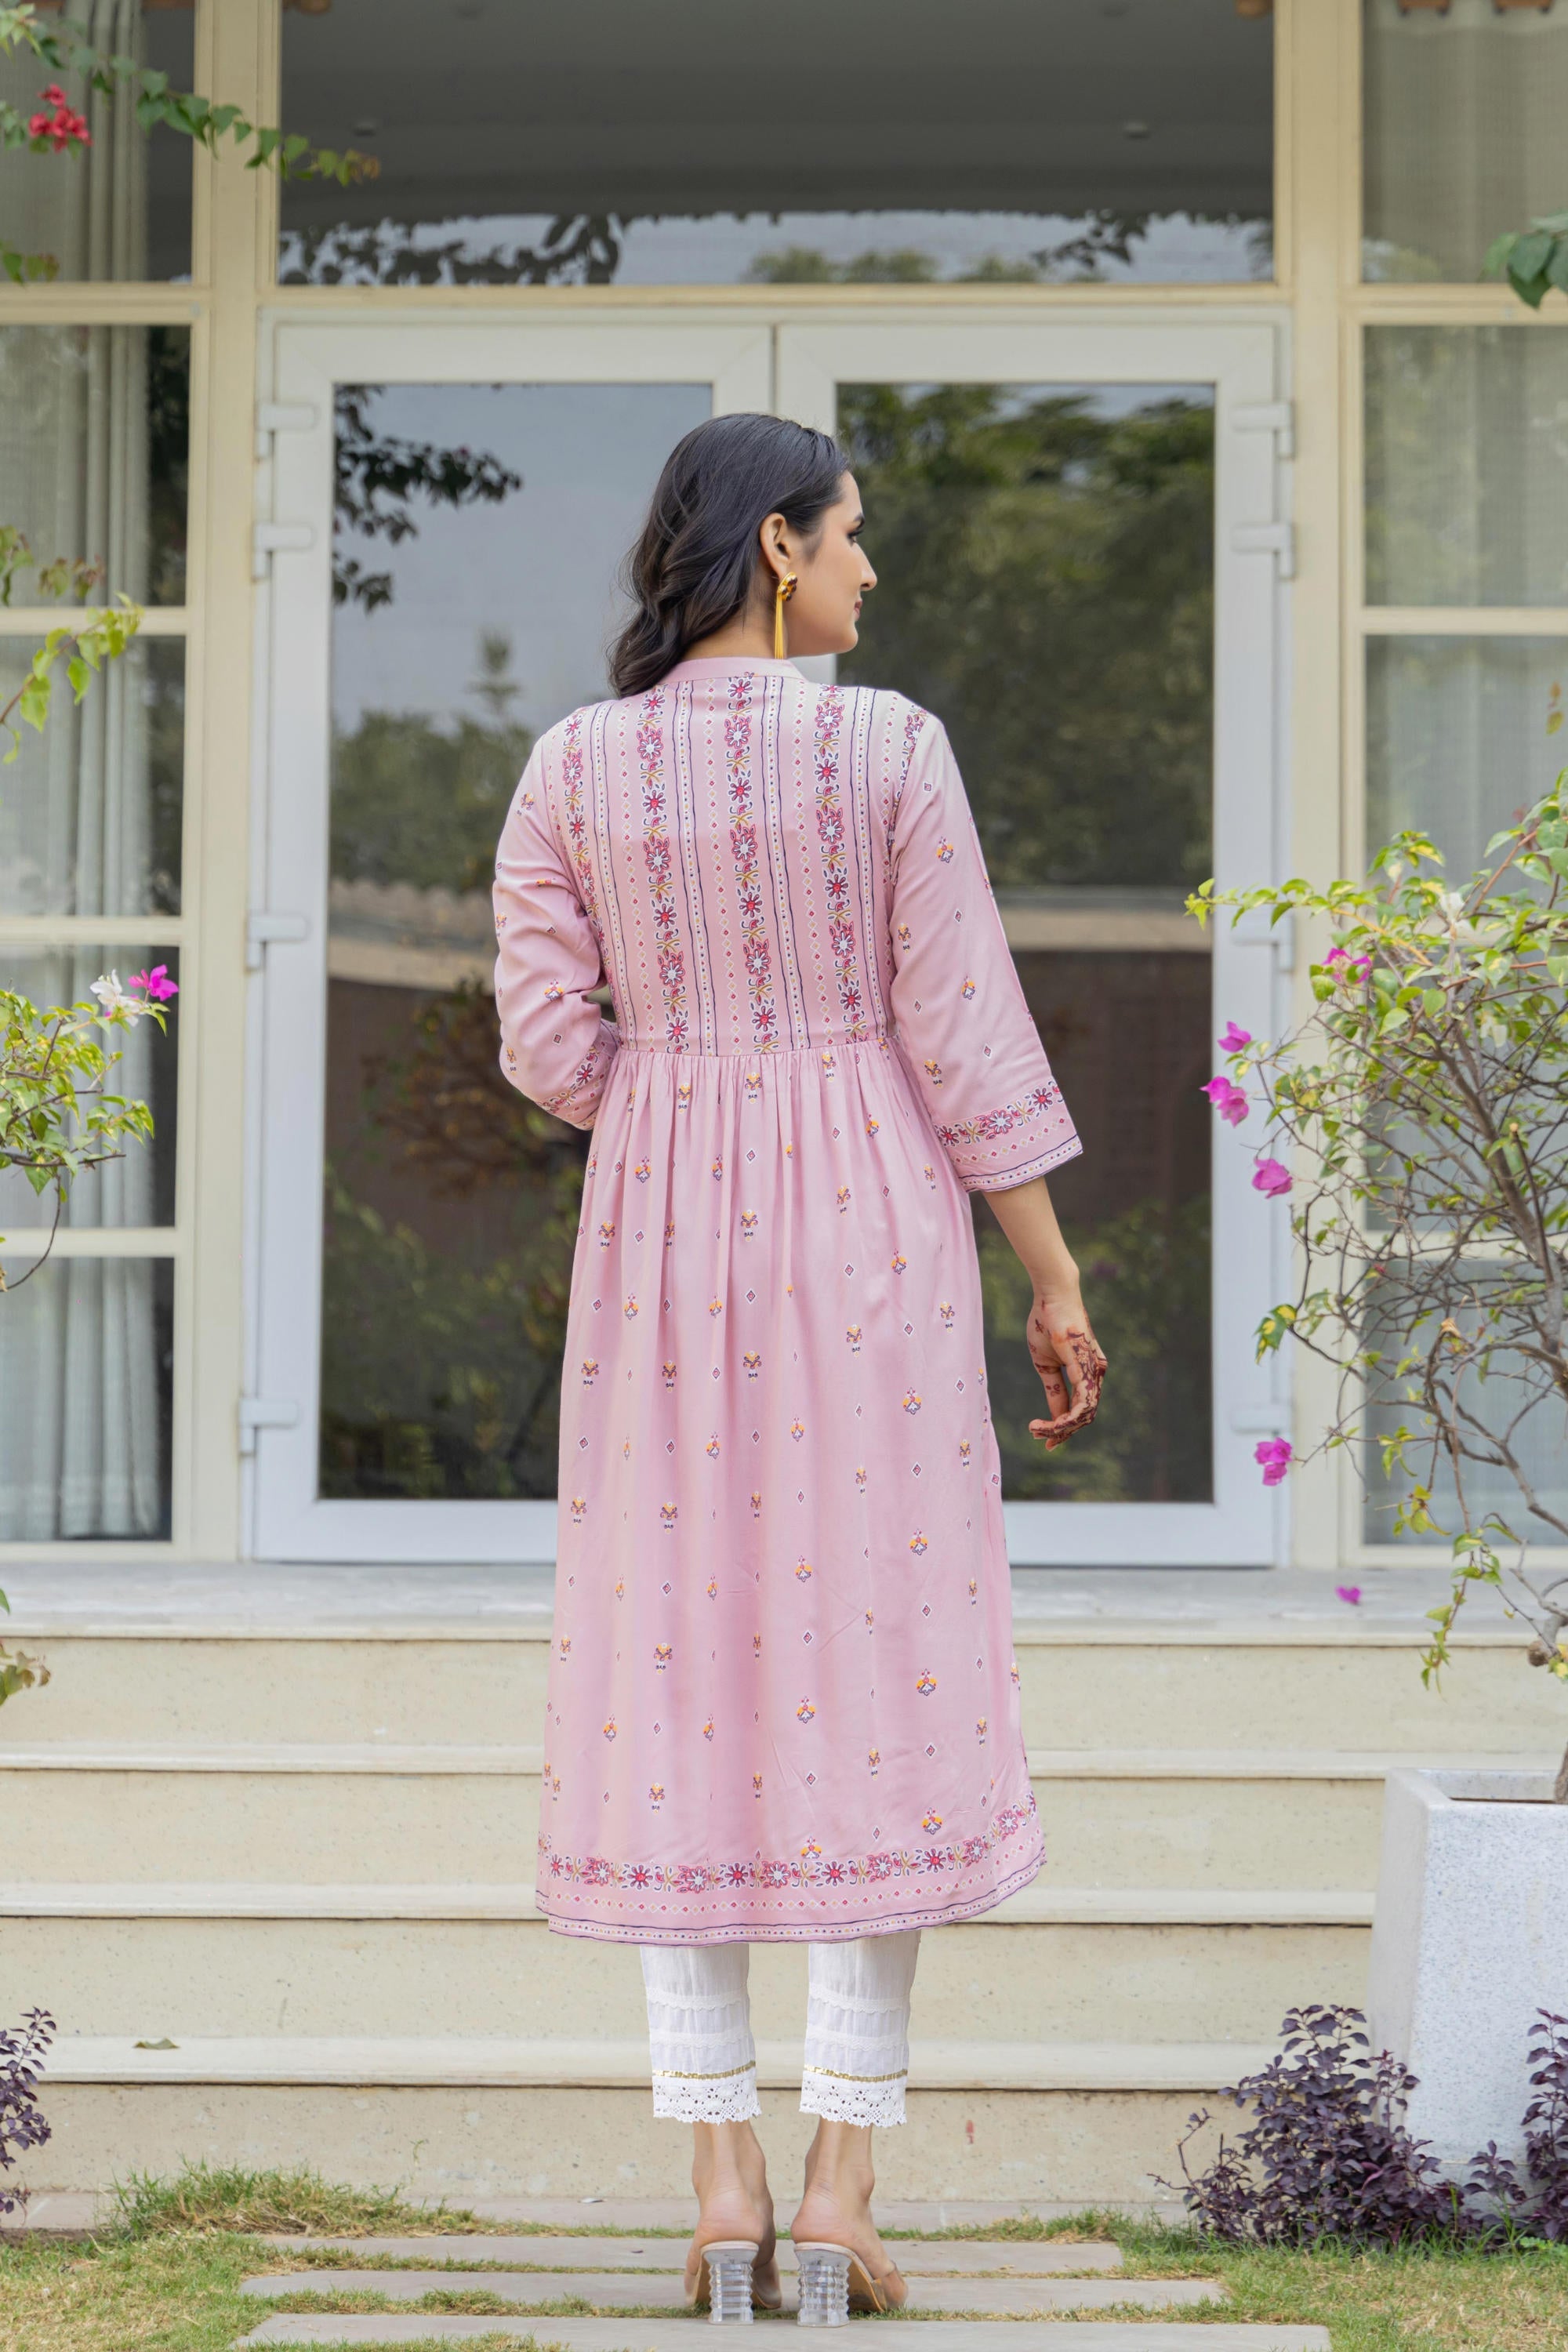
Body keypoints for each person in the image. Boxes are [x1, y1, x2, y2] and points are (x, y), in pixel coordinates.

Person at [492, 413, 1105, 2318]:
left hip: (661, 1245)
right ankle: (841, 2189)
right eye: (851, 540)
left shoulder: (573, 765)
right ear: (773, 545)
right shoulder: (888, 746)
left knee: (673, 1660)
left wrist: (671, 1102)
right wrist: (1056, 1282)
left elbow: (539, 1041)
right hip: (870, 1228)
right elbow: (961, 1031)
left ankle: (715, 2181)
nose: (869, 573)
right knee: (881, 1667)